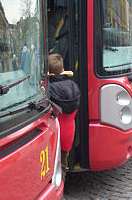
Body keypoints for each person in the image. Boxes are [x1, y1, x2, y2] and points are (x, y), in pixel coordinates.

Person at [48, 53, 80, 181]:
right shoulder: (73, 86)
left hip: (53, 134)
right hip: (68, 132)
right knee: (62, 164)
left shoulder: (48, 89)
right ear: (62, 70)